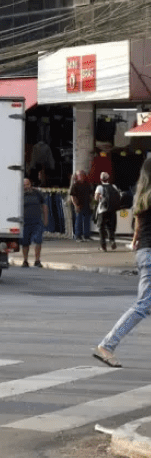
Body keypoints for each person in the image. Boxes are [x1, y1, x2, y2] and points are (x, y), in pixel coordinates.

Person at [93, 156, 151, 368]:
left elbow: (138, 226)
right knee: (143, 305)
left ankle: (108, 345)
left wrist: (136, 241)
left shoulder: (142, 195)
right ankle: (107, 345)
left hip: (145, 250)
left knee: (145, 304)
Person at [21, 177, 48, 267]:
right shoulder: (20, 195)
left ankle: (37, 260)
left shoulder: (37, 193)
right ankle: (25, 260)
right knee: (25, 242)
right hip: (25, 223)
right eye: (24, 185)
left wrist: (45, 219)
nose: (26, 187)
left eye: (27, 184)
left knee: (38, 241)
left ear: (30, 184)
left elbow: (44, 206)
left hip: (37, 222)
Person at [93, 172, 121, 251]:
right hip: (112, 209)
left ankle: (103, 246)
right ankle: (112, 241)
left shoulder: (99, 187)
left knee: (101, 228)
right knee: (110, 227)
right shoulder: (113, 186)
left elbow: (96, 198)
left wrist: (100, 197)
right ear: (108, 179)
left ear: (101, 179)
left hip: (102, 210)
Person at [69, 170, 94, 242]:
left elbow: (90, 195)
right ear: (76, 176)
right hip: (79, 204)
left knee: (87, 220)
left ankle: (86, 235)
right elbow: (72, 196)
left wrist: (92, 203)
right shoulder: (75, 185)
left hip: (86, 204)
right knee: (78, 220)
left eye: (82, 175)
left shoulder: (87, 184)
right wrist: (75, 205)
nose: (81, 176)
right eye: (79, 175)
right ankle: (78, 236)